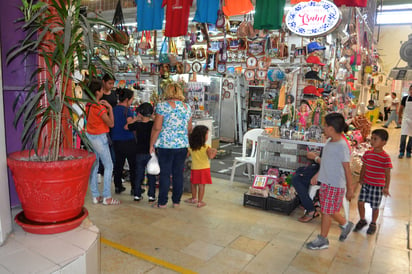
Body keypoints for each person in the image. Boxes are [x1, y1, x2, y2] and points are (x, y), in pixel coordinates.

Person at [306, 113, 354, 250]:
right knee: (327, 210)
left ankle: (324, 238)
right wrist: (317, 174)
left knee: (327, 210)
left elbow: (347, 169)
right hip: (325, 181)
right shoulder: (329, 142)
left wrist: (350, 189)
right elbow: (326, 162)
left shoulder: (342, 146)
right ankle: (344, 225)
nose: (323, 128)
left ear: (332, 128)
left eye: (325, 126)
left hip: (335, 184)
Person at [150, 82, 192, 208]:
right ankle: (176, 201)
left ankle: (162, 202)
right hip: (182, 145)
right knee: (178, 173)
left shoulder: (162, 106)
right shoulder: (187, 107)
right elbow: (189, 128)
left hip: (165, 145)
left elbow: (157, 128)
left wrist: (151, 144)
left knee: (165, 174)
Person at [85, 79, 119, 205]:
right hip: (99, 137)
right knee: (109, 165)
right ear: (98, 92)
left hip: (89, 136)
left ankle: (95, 195)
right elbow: (111, 123)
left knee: (94, 165)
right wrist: (110, 108)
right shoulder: (99, 107)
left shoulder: (87, 105)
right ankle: (107, 197)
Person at [354, 129, 392, 235]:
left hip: (377, 186)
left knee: (375, 207)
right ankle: (362, 220)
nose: (372, 141)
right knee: (360, 202)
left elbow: (388, 174)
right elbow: (364, 167)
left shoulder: (385, 158)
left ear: (384, 142)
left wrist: (386, 187)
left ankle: (373, 223)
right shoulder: (367, 154)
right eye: (372, 138)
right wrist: (361, 178)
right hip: (366, 183)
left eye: (376, 139)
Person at [127, 103, 157, 202]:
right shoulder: (153, 124)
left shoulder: (137, 124)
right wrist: (153, 116)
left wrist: (136, 118)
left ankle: (137, 194)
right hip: (150, 152)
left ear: (140, 113)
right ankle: (151, 195)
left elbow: (127, 127)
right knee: (151, 174)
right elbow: (161, 124)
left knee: (138, 174)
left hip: (139, 152)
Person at [111, 88, 137, 194]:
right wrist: (137, 119)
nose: (132, 102)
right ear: (127, 99)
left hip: (116, 140)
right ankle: (135, 188)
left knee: (118, 164)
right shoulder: (128, 110)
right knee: (133, 165)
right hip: (128, 140)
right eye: (131, 100)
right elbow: (129, 126)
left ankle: (118, 186)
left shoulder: (113, 109)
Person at [185, 125, 217, 208]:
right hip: (204, 169)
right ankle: (200, 202)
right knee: (201, 185)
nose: (207, 136)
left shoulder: (191, 147)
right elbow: (211, 157)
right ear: (203, 136)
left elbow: (186, 155)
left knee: (193, 184)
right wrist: (214, 151)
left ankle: (193, 198)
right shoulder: (206, 147)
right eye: (207, 134)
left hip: (194, 168)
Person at [98, 73, 117, 179]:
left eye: (112, 84)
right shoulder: (100, 94)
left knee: (111, 145)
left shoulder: (113, 93)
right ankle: (101, 169)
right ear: (104, 82)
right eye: (109, 83)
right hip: (102, 122)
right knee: (102, 146)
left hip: (112, 122)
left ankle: (110, 168)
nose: (111, 86)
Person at [292, 151, 321, 222]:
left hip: (326, 173)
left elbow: (328, 164)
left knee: (297, 179)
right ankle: (306, 202)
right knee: (300, 171)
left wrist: (316, 157)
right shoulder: (331, 142)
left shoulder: (336, 144)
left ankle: (311, 209)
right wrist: (317, 156)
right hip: (319, 168)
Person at [398, 85, 412, 159]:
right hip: (406, 119)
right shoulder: (405, 98)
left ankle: (409, 151)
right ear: (409, 90)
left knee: (411, 137)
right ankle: (401, 151)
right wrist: (399, 118)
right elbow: (400, 109)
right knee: (403, 136)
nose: (411, 91)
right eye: (411, 89)